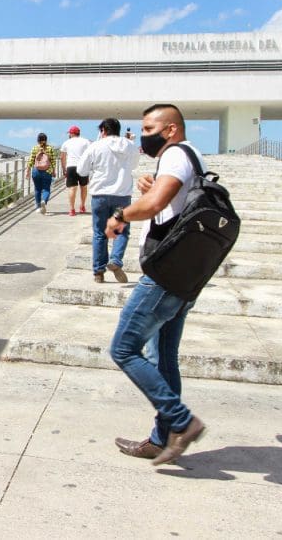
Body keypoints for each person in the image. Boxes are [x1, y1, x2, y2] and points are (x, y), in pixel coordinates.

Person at [106, 103, 207, 466]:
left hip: (164, 275)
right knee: (163, 358)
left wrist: (120, 215)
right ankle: (162, 439)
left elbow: (155, 205)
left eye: (149, 129)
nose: (143, 136)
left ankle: (182, 421)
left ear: (171, 130)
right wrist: (152, 187)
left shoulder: (176, 155)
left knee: (123, 349)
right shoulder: (191, 156)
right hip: (184, 274)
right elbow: (166, 200)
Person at [76, 118, 139, 283]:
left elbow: (81, 170)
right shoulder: (130, 146)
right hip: (122, 196)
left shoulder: (95, 146)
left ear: (103, 130)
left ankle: (98, 272)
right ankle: (115, 260)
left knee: (99, 234)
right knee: (121, 231)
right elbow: (134, 166)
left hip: (100, 195)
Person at [59, 125, 90, 216]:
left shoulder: (66, 143)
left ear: (71, 133)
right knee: (83, 187)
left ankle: (72, 209)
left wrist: (64, 169)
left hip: (71, 166)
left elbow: (62, 157)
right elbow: (90, 155)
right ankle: (82, 206)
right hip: (83, 166)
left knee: (72, 188)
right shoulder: (86, 141)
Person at [26, 132, 58, 214]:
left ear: (38, 140)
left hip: (36, 171)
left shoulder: (35, 148)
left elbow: (31, 160)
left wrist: (28, 171)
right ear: (46, 140)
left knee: (37, 189)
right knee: (46, 189)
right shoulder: (50, 148)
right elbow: (53, 161)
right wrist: (54, 171)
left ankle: (38, 207)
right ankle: (44, 200)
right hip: (47, 171)